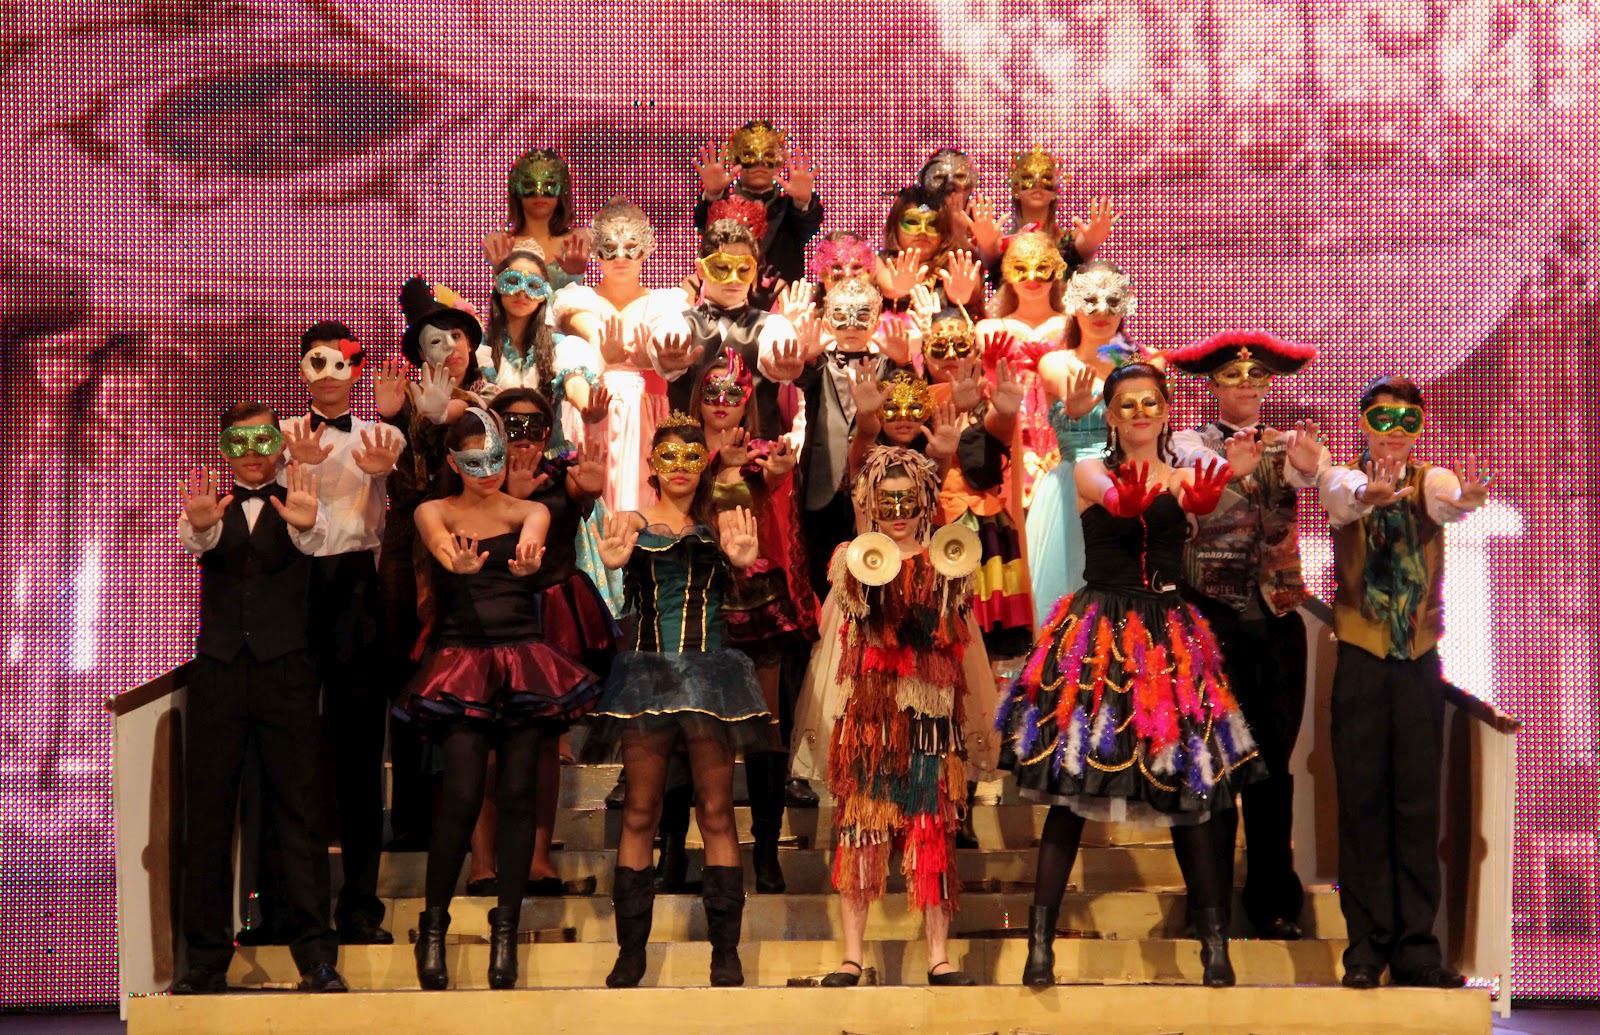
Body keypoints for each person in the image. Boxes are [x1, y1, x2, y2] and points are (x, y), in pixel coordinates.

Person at [995, 362, 1261, 989]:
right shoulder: (1091, 469)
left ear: (1166, 411)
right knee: (1072, 789)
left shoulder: (1187, 473)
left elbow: (1200, 498)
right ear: (1111, 417)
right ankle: (1040, 945)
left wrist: (1221, 488)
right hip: (1101, 634)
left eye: (1151, 402)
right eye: (1128, 404)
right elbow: (1113, 498)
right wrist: (1130, 500)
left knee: (1189, 792)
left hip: (1168, 637)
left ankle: (1214, 947)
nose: (1141, 412)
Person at [394, 407, 603, 991]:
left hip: (523, 657)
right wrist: (453, 560)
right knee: (462, 795)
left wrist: (528, 559)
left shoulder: (530, 510)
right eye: (474, 461)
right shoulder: (434, 509)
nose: (487, 471)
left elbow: (533, 541)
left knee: (517, 794)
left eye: (495, 459)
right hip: (463, 659)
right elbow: (440, 545)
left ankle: (505, 931)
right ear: (453, 461)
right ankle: (433, 928)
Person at [793, 446, 999, 988]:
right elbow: (841, 632)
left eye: (908, 500)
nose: (899, 511)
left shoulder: (948, 559)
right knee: (860, 831)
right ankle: (851, 957)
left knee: (932, 833)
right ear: (870, 505)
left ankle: (938, 957)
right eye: (888, 501)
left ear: (926, 501)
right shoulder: (851, 558)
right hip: (870, 718)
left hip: (931, 719)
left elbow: (961, 640)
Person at [1317, 375, 1490, 990]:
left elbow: (1444, 499)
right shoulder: (1342, 475)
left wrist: (1463, 498)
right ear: (1364, 423)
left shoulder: (1428, 478)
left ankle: (1418, 948)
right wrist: (1369, 492)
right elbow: (1341, 496)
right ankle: (1365, 949)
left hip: (1418, 661)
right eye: (1383, 419)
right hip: (1361, 659)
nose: (1394, 432)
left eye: (1407, 421)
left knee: (1417, 806)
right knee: (1362, 803)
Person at [170, 402, 345, 994]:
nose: (251, 453)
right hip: (218, 671)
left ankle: (316, 957)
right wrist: (200, 526)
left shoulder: (300, 503)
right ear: (224, 449)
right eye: (238, 442)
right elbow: (198, 541)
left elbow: (315, 540)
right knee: (209, 815)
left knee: (300, 813)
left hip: (286, 671)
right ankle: (204, 960)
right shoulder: (209, 508)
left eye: (263, 440)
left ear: (279, 446)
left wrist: (304, 522)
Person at [589, 414, 768, 988]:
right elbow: (614, 568)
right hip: (648, 677)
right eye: (668, 456)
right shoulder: (631, 525)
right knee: (640, 811)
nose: (680, 468)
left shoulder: (723, 526)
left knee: (716, 812)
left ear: (704, 463)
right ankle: (631, 954)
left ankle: (725, 954)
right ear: (652, 466)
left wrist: (742, 562)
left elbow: (748, 580)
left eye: (691, 456)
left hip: (710, 679)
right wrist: (613, 563)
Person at [1167, 329, 1327, 940]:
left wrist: (1310, 469)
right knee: (1208, 762)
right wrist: (1228, 471)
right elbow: (1191, 488)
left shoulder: (1292, 445)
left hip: (1277, 619)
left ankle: (1274, 901)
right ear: (1212, 385)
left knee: (1271, 767)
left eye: (1256, 376)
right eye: (1233, 376)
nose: (1246, 385)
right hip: (1211, 619)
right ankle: (1206, 904)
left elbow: (1323, 482)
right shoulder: (1186, 443)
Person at [461, 388, 620, 899]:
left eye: (534, 427)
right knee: (485, 740)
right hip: (489, 617)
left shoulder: (563, 476)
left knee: (547, 741)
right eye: (513, 425)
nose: (524, 437)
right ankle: (482, 863)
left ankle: (538, 858)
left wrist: (589, 493)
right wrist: (510, 493)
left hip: (552, 615)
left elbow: (583, 495)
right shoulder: (476, 475)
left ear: (548, 433)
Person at [279, 322, 403, 946]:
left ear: (356, 370)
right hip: (293, 591)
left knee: (359, 755)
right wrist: (291, 468)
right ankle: (292, 907)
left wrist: (385, 474)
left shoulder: (384, 435)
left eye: (341, 363)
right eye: (316, 362)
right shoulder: (279, 435)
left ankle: (359, 905)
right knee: (291, 754)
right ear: (303, 367)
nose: (329, 375)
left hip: (358, 589)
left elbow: (405, 506)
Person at [696, 355, 820, 892]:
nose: (723, 403)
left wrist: (776, 470)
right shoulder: (680, 449)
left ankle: (766, 851)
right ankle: (693, 852)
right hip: (698, 599)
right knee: (700, 728)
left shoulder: (761, 451)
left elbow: (774, 482)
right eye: (712, 393)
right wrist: (711, 467)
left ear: (748, 399)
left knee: (766, 728)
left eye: (733, 393)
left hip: (755, 600)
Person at [1024, 260, 1144, 628]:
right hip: (1070, 489)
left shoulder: (1145, 363)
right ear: (1074, 305)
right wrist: (1077, 406)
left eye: (1112, 301)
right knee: (1067, 603)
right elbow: (1068, 390)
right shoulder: (1055, 362)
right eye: (1090, 300)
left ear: (1125, 305)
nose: (1102, 311)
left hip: (1129, 486)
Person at [553, 198, 688, 513]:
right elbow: (585, 330)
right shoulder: (578, 300)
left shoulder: (663, 304)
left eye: (631, 247)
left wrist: (656, 358)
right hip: (593, 408)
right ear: (596, 251)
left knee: (643, 500)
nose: (621, 257)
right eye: (610, 248)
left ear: (647, 249)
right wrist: (604, 349)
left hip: (645, 414)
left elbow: (668, 338)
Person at [694, 119, 823, 285]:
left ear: (780, 162)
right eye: (749, 154)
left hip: (781, 295)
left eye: (769, 155)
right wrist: (713, 194)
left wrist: (802, 200)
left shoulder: (792, 212)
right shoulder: (719, 207)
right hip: (727, 291)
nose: (760, 163)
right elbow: (704, 223)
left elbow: (808, 223)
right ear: (735, 159)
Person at [483, 147, 590, 289]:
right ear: (516, 189)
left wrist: (575, 275)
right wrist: (503, 273)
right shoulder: (499, 244)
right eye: (529, 185)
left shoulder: (580, 240)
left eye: (549, 185)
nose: (539, 193)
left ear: (562, 189)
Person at [1003, 147, 1116, 278]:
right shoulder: (1001, 243)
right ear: (1014, 189)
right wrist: (988, 247)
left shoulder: (1070, 238)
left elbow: (1083, 247)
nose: (1037, 184)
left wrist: (1090, 240)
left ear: (1055, 190)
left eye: (1046, 177)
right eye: (1028, 177)